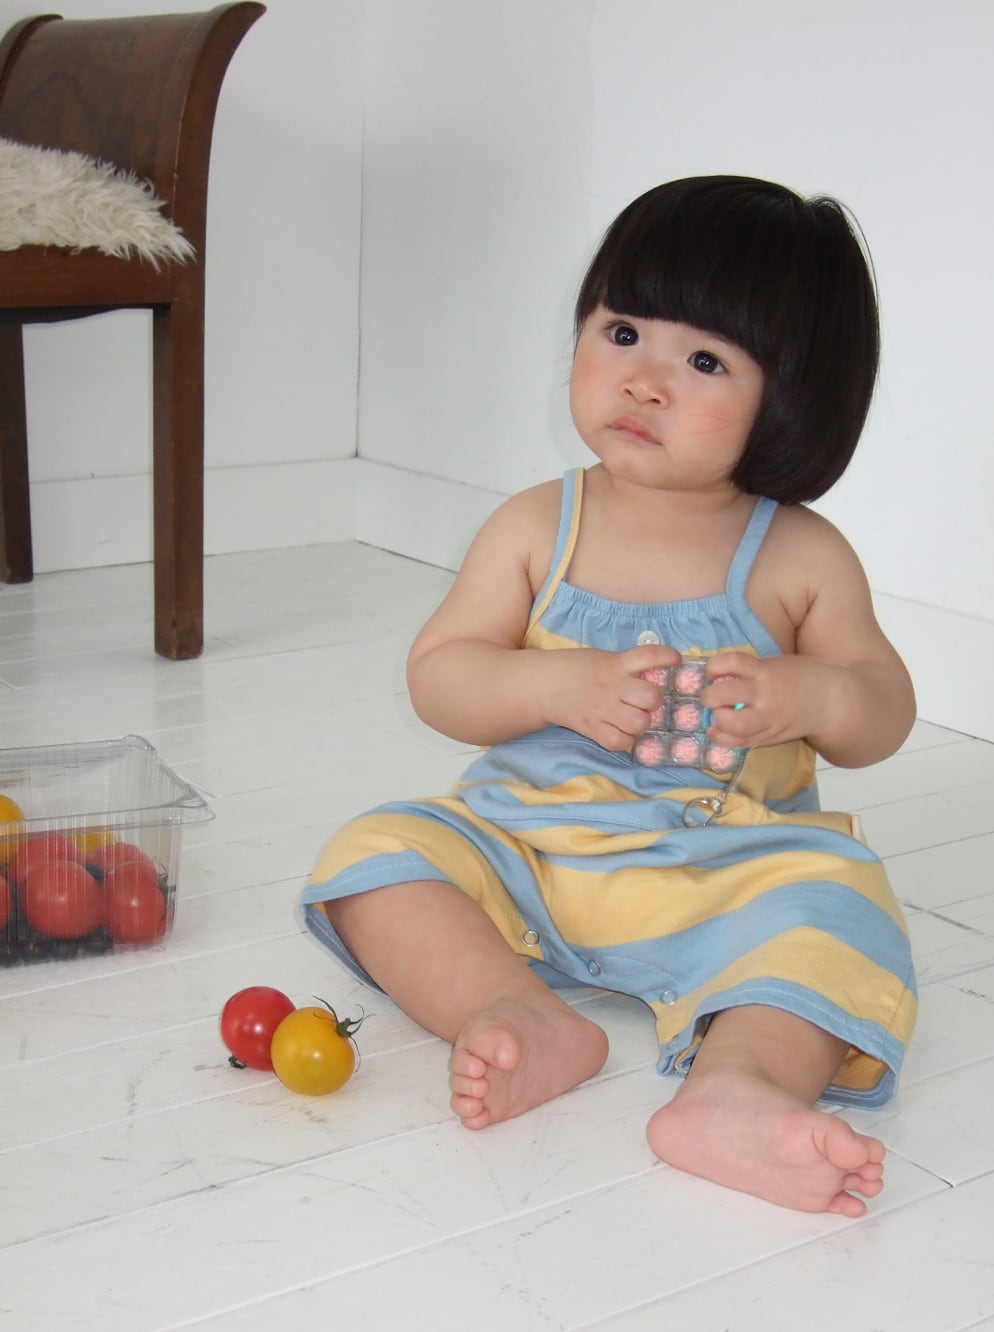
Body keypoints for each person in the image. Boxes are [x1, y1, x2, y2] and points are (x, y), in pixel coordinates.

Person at [300, 175, 918, 1218]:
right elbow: (440, 676)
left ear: (792, 396)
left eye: (705, 361)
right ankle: (514, 1009)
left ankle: (738, 1085)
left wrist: (812, 694)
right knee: (373, 857)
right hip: (531, 849)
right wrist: (550, 682)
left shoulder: (800, 556)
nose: (643, 381)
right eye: (622, 332)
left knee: (843, 908)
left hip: (725, 871)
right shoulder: (536, 526)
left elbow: (883, 711)